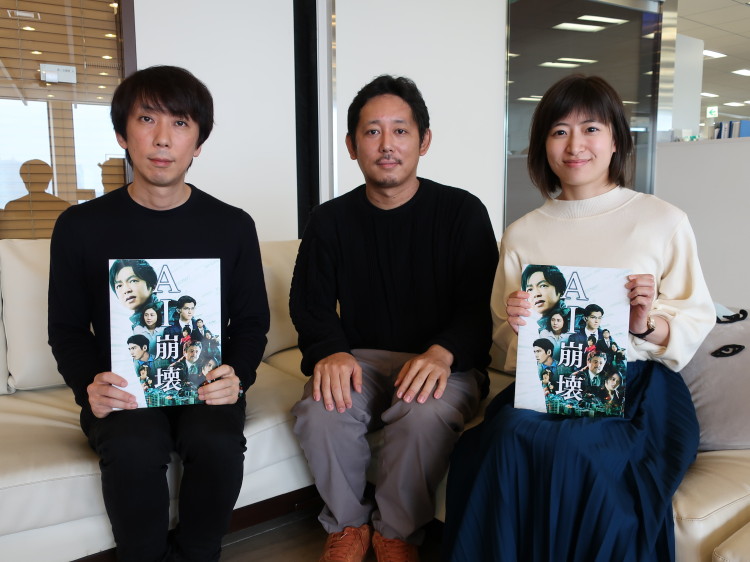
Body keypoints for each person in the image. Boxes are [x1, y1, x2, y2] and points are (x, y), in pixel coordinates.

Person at [444, 74, 714, 561]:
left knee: (586, 451)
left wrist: (643, 324)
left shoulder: (662, 220)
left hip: (636, 390)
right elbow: (503, 339)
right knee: (502, 440)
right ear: (542, 146)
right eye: (559, 131)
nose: (575, 145)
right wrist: (518, 323)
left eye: (591, 129)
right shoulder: (522, 233)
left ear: (616, 140)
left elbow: (694, 317)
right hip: (549, 384)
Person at [47, 65, 270, 561]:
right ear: (122, 134)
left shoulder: (232, 225)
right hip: (123, 389)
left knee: (216, 442)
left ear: (198, 142)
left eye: (181, 123)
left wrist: (238, 376)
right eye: (147, 119)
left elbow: (252, 321)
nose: (163, 138)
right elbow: (65, 328)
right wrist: (89, 385)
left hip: (203, 382)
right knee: (133, 447)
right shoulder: (79, 226)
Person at [289, 74, 498, 562]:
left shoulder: (462, 212)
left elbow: (479, 306)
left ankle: (396, 533)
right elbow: (309, 303)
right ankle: (348, 526)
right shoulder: (329, 220)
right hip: (360, 358)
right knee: (320, 409)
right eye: (372, 131)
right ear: (351, 146)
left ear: (424, 141)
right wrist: (331, 351)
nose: (387, 145)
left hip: (443, 361)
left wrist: (442, 353)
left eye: (400, 130)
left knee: (423, 412)